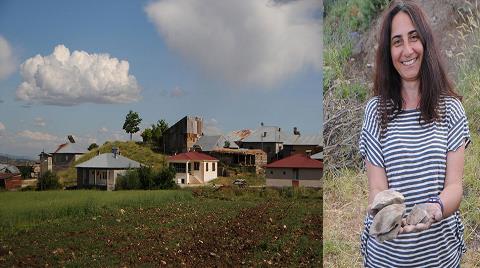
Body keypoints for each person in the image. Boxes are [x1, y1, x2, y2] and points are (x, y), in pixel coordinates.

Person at [359, 0, 471, 267]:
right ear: (388, 52)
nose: (407, 50)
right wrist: (385, 212)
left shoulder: (451, 109)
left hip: (439, 255)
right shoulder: (375, 112)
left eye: (413, 37)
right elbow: (377, 188)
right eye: (397, 42)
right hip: (388, 257)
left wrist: (434, 209)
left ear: (426, 43)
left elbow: (454, 187)